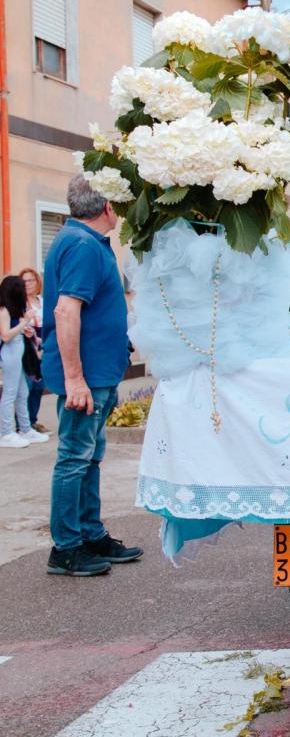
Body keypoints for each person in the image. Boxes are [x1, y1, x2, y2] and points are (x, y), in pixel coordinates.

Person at [42, 174, 142, 576]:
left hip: (99, 374)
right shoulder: (83, 245)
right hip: (86, 378)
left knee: (89, 457)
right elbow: (66, 311)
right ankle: (66, 547)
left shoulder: (85, 241)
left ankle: (89, 533)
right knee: (75, 458)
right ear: (108, 207)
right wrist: (75, 379)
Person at [0, 276, 46, 448]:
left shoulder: (12, 310)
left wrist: (25, 329)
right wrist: (25, 322)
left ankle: (25, 428)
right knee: (10, 393)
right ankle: (5, 432)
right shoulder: (3, 310)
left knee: (22, 392)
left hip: (17, 353)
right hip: (10, 354)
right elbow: (5, 336)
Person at [19, 267, 48, 433]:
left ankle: (33, 420)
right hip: (27, 343)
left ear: (37, 282)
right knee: (27, 385)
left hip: (43, 340)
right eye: (24, 281)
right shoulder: (19, 303)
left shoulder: (42, 301)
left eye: (31, 280)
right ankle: (23, 424)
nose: (28, 284)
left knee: (39, 385)